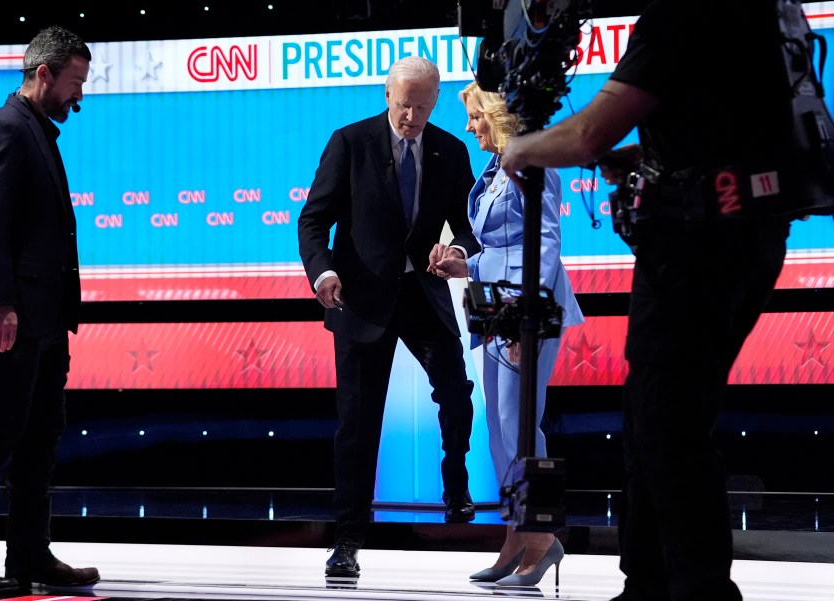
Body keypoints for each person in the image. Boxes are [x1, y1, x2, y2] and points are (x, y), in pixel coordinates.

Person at [499, 1, 793, 600]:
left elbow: (587, 135)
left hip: (700, 244)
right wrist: (655, 159)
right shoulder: (756, 13)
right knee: (651, 418)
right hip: (740, 236)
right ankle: (648, 583)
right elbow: (725, 124)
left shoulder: (682, 14)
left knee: (668, 423)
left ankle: (698, 589)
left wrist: (520, 149)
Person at [297, 55, 482, 578]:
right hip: (360, 300)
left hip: (423, 296)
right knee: (358, 424)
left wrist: (458, 254)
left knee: (455, 390)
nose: (412, 118)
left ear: (435, 103)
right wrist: (323, 274)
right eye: (405, 106)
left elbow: (468, 228)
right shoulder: (349, 143)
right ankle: (348, 540)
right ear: (387, 97)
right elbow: (313, 221)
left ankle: (456, 484)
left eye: (422, 108)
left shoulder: (450, 150)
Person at [0, 26, 100, 593]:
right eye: (75, 82)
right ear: (44, 74)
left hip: (46, 316)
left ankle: (29, 556)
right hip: (15, 313)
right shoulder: (7, 127)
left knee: (39, 435)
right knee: (2, 427)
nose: (79, 95)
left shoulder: (38, 130)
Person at [431, 81, 584, 586]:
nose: (469, 126)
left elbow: (544, 243)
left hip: (525, 312)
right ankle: (516, 534)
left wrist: (525, 312)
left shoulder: (532, 164)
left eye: (474, 116)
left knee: (520, 426)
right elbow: (503, 244)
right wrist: (465, 262)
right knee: (499, 429)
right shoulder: (498, 168)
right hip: (495, 310)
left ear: (495, 115)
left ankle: (541, 537)